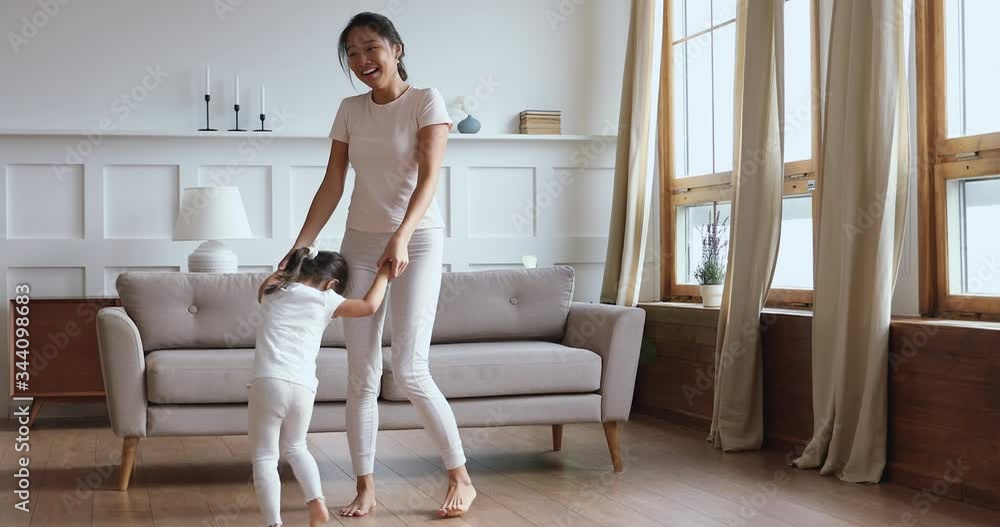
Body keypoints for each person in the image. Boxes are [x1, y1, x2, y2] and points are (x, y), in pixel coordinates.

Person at [278, 11, 476, 518]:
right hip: (359, 244)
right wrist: (301, 245)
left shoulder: (426, 101)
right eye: (352, 52)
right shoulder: (349, 109)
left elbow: (429, 177)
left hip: (418, 241)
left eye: (371, 48)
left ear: (396, 49)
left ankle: (460, 475)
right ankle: (365, 486)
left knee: (409, 368)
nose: (362, 59)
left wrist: (401, 237)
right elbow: (333, 182)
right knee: (360, 374)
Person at [252, 245, 392, 527]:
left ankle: (273, 523)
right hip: (303, 387)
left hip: (268, 381)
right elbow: (369, 306)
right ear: (332, 284)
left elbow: (272, 279)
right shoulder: (327, 299)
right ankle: (316, 501)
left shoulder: (274, 291)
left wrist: (296, 257)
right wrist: (385, 273)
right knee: (296, 447)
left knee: (265, 457)